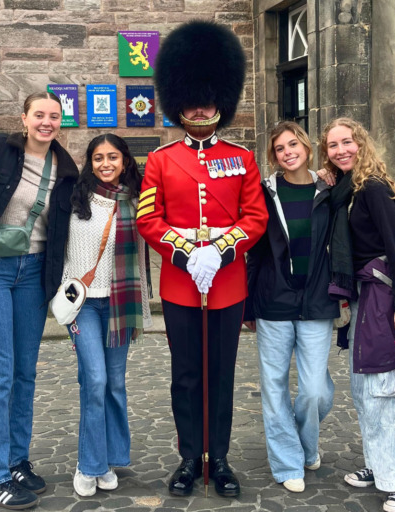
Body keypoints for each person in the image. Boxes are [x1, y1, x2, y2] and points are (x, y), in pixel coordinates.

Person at [137, 20, 268, 498]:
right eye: (191, 100)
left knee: (222, 373)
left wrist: (221, 248)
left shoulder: (242, 157)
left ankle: (222, 458)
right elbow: (150, 219)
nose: (199, 107)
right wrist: (190, 251)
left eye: (207, 99)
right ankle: (190, 457)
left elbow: (254, 217)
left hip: (229, 283)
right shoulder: (162, 159)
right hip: (180, 284)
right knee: (187, 373)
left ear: (221, 101)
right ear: (178, 101)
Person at [0, 92, 79, 510]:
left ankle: (16, 461)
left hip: (32, 273)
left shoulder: (66, 169)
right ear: (24, 118)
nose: (46, 122)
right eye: (39, 115)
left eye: (54, 116)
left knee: (25, 372)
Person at [318, 117, 395, 512]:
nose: (341, 150)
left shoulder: (374, 189)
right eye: (332, 146)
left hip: (385, 299)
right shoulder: (346, 190)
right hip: (363, 299)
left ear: (360, 142)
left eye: (346, 142)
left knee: (386, 391)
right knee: (363, 389)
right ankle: (378, 464)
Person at [243, 121, 345, 493]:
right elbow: (254, 252)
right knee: (273, 387)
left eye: (293, 145)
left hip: (317, 301)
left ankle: (307, 444)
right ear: (274, 157)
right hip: (273, 301)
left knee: (315, 390)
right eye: (280, 149)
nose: (288, 153)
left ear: (306, 146)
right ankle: (288, 463)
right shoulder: (264, 193)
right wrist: (248, 307)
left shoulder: (328, 190)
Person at [61, 134, 153, 497]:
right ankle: (89, 464)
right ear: (90, 161)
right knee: (94, 380)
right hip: (83, 305)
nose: (105, 163)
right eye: (98, 157)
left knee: (114, 383)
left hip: (120, 303)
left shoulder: (139, 201)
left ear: (125, 160)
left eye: (112, 157)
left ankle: (110, 457)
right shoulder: (73, 197)